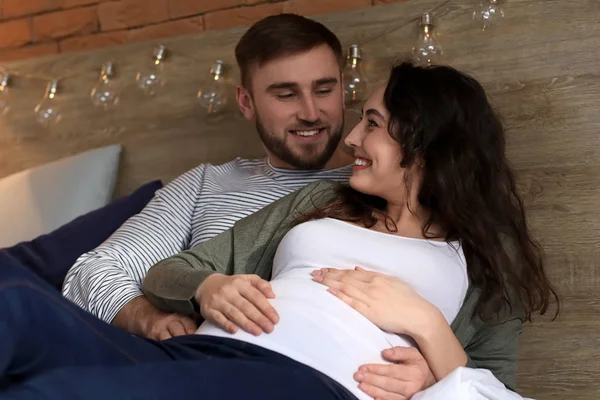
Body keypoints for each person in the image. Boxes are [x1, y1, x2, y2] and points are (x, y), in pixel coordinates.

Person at [1, 62, 557, 400]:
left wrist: (431, 338)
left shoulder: (485, 252)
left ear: (428, 146)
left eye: (374, 124)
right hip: (202, 355)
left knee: (59, 394)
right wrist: (207, 288)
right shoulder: (322, 198)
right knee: (16, 302)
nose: (350, 140)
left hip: (305, 382)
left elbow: (497, 390)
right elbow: (175, 270)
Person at [60, 14, 436, 399]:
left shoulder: (387, 186)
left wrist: (436, 370)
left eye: (323, 89)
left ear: (343, 89)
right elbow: (91, 272)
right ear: (246, 101)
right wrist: (154, 320)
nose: (310, 112)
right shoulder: (206, 184)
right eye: (286, 94)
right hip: (193, 363)